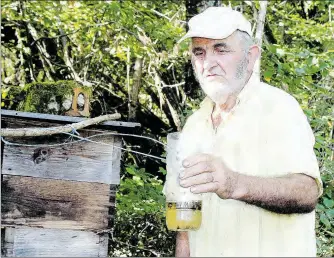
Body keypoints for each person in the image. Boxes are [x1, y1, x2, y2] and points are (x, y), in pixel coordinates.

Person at [171, 6, 323, 257]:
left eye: (220, 49)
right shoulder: (194, 125)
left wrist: (235, 184)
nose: (208, 63)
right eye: (199, 52)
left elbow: (307, 193)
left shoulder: (278, 108)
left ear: (251, 56)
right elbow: (185, 220)